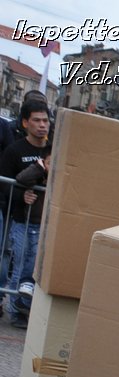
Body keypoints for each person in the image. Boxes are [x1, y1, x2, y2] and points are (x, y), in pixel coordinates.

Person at [0, 97, 49, 328]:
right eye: (37, 120)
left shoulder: (53, 150)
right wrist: (21, 196)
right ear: (25, 123)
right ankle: (16, 309)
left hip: (43, 220)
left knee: (33, 266)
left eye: (45, 120)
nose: (42, 125)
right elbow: (5, 183)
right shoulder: (14, 150)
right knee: (18, 263)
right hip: (19, 218)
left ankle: (26, 307)